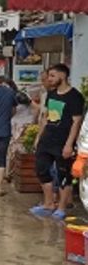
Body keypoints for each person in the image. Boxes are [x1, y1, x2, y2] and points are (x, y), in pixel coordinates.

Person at [31, 63, 85, 219]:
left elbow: (77, 122)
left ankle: (61, 207)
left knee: (64, 175)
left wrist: (69, 144)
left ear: (62, 76)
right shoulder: (51, 94)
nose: (49, 79)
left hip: (63, 142)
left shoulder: (75, 97)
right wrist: (38, 137)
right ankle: (48, 203)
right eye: (49, 76)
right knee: (41, 170)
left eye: (52, 76)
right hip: (47, 139)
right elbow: (45, 117)